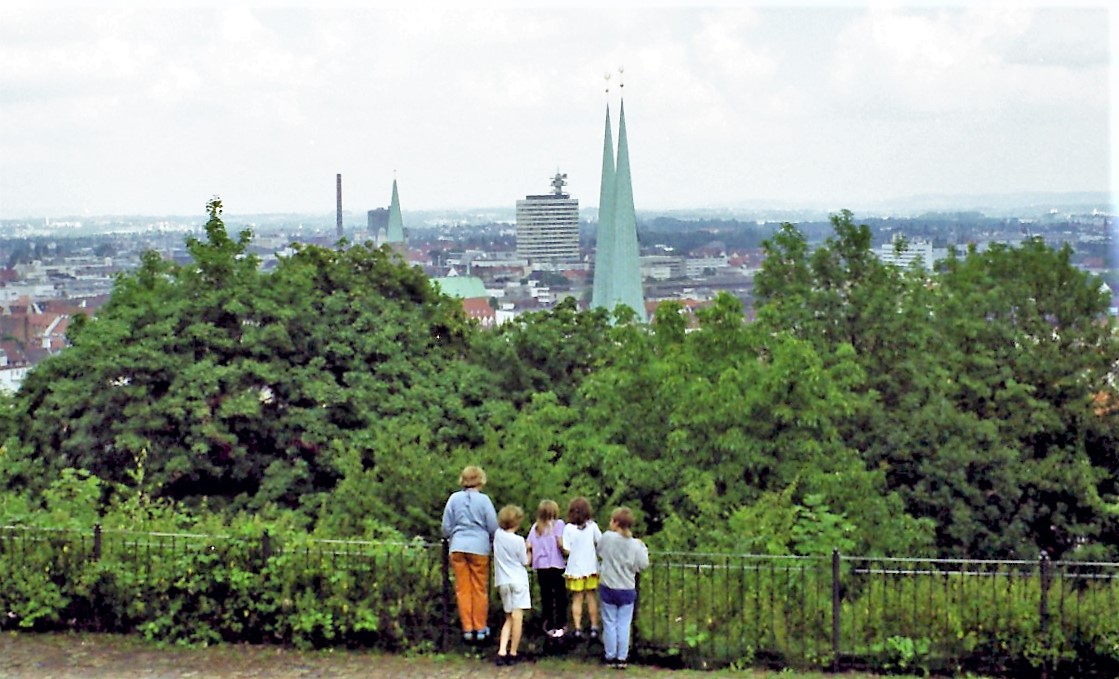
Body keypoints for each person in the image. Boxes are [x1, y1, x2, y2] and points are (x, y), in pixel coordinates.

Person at [441, 465, 498, 643]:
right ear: (480, 480)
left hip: (457, 546)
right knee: (479, 588)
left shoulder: (454, 499)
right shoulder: (484, 500)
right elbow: (493, 526)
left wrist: (451, 537)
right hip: (479, 547)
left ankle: (467, 628)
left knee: (463, 589)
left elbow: (446, 527)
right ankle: (480, 628)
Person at [596, 506, 649, 670]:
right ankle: (622, 657)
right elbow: (643, 564)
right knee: (624, 624)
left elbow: (599, 551)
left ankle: (610, 656)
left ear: (616, 523)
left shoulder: (607, 538)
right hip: (626, 588)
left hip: (608, 586)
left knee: (609, 622)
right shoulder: (636, 545)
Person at [493, 504, 532, 665]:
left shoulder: (498, 535)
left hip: (503, 581)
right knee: (518, 618)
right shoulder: (518, 541)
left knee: (508, 617)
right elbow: (525, 561)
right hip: (518, 581)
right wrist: (529, 550)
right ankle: (513, 652)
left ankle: (501, 650)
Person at [560, 496, 602, 641]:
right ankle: (594, 627)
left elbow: (566, 549)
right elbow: (600, 542)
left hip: (575, 569)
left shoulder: (568, 528)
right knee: (591, 597)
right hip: (591, 567)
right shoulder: (592, 527)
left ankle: (578, 628)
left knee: (577, 599)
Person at [526, 499, 567, 637]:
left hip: (541, 566)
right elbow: (561, 543)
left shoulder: (536, 527)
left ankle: (547, 624)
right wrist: (568, 553)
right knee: (560, 595)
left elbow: (528, 545)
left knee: (546, 596)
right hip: (556, 564)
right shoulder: (559, 524)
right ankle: (561, 624)